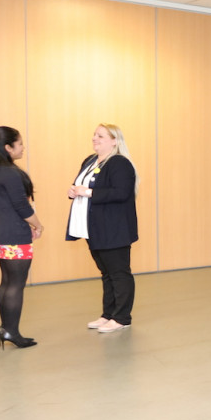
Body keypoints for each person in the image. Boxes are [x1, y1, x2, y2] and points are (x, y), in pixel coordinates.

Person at [66, 124, 139, 334]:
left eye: (100, 136)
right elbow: (82, 185)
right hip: (93, 228)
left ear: (115, 141)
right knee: (106, 273)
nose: (94, 138)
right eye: (94, 135)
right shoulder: (90, 161)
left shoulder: (119, 163)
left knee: (119, 273)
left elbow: (121, 193)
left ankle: (122, 317)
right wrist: (73, 191)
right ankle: (108, 314)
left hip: (114, 229)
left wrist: (88, 192)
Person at [0, 125, 44, 349]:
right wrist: (38, 225)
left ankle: (6, 328)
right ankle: (11, 331)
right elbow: (22, 207)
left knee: (7, 282)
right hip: (14, 233)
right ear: (8, 147)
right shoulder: (10, 172)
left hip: (0, 231)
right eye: (20, 143)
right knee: (15, 284)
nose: (23, 147)